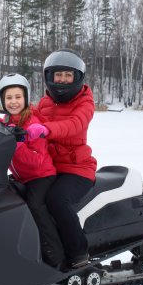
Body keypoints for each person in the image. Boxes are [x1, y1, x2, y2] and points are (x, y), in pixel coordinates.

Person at [0, 73, 65, 268]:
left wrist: (17, 145)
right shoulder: (7, 122)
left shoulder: (32, 122)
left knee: (35, 206)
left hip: (41, 176)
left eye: (18, 97)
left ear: (25, 98)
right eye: (8, 97)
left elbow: (36, 161)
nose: (13, 101)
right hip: (20, 177)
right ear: (2, 100)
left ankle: (55, 256)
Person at [35, 49, 97, 268]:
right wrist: (8, 119)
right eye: (57, 75)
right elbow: (27, 116)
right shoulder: (44, 103)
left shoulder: (85, 103)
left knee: (56, 199)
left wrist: (44, 129)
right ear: (49, 76)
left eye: (67, 75)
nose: (61, 80)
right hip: (48, 167)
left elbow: (75, 125)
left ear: (77, 78)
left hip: (77, 170)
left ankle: (78, 253)